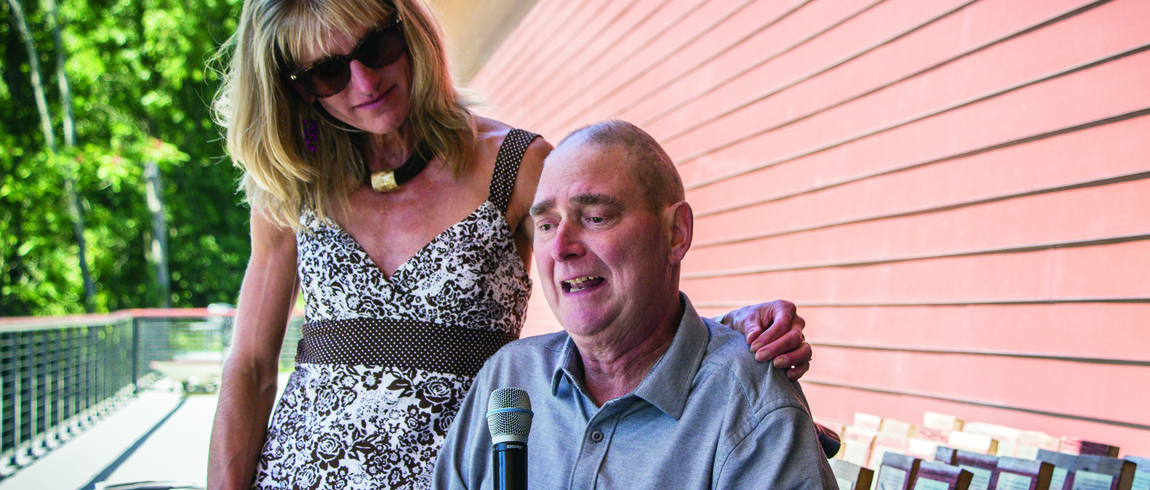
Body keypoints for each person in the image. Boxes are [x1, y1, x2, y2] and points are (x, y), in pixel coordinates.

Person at [206, 1, 813, 489]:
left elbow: (596, 276)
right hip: (295, 472)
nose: (363, 81)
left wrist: (728, 337)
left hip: (463, 468)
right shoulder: (292, 184)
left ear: (408, 32)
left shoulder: (516, 164)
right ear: (297, 87)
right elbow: (253, 367)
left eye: (375, 47)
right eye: (327, 71)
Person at [432, 120, 836, 490]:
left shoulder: (749, 407)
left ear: (676, 234)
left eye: (595, 216)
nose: (560, 248)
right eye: (546, 225)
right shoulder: (510, 378)